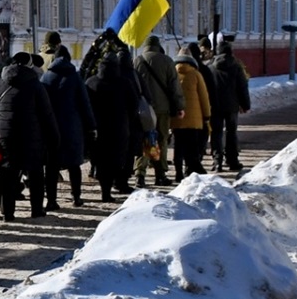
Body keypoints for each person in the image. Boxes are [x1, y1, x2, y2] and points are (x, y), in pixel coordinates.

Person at [0, 52, 57, 220]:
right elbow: (46, 113)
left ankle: (7, 212)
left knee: (7, 172)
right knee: (35, 172)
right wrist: (54, 137)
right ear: (30, 65)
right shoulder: (35, 84)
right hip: (31, 135)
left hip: (5, 134)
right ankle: (36, 210)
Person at [39, 34, 94, 209]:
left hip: (52, 126)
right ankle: (76, 197)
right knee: (74, 164)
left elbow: (41, 103)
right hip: (72, 126)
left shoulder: (46, 77)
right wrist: (91, 125)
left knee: (51, 165)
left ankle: (51, 200)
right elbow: (84, 103)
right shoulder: (75, 77)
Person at [84, 40, 139, 202]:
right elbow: (134, 105)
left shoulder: (91, 82)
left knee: (101, 160)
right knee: (116, 159)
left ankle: (105, 191)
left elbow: (86, 106)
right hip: (119, 128)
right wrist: (127, 120)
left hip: (98, 129)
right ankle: (114, 186)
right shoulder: (125, 83)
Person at [133, 36, 185, 186]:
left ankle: (140, 174)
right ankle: (160, 174)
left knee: (145, 139)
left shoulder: (137, 61)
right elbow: (174, 87)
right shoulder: (167, 61)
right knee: (161, 140)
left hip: (144, 109)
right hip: (163, 108)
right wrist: (179, 106)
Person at [208, 41, 250, 174]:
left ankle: (217, 161)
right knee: (231, 132)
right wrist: (245, 104)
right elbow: (242, 87)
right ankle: (232, 161)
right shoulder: (236, 67)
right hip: (232, 106)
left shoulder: (211, 67)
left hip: (215, 105)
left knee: (216, 133)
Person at [172, 47, 212, 177]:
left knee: (178, 145)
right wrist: (207, 115)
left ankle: (178, 172)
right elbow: (204, 97)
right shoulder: (196, 74)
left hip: (177, 117)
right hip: (194, 119)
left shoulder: (173, 74)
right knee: (192, 146)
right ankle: (190, 170)